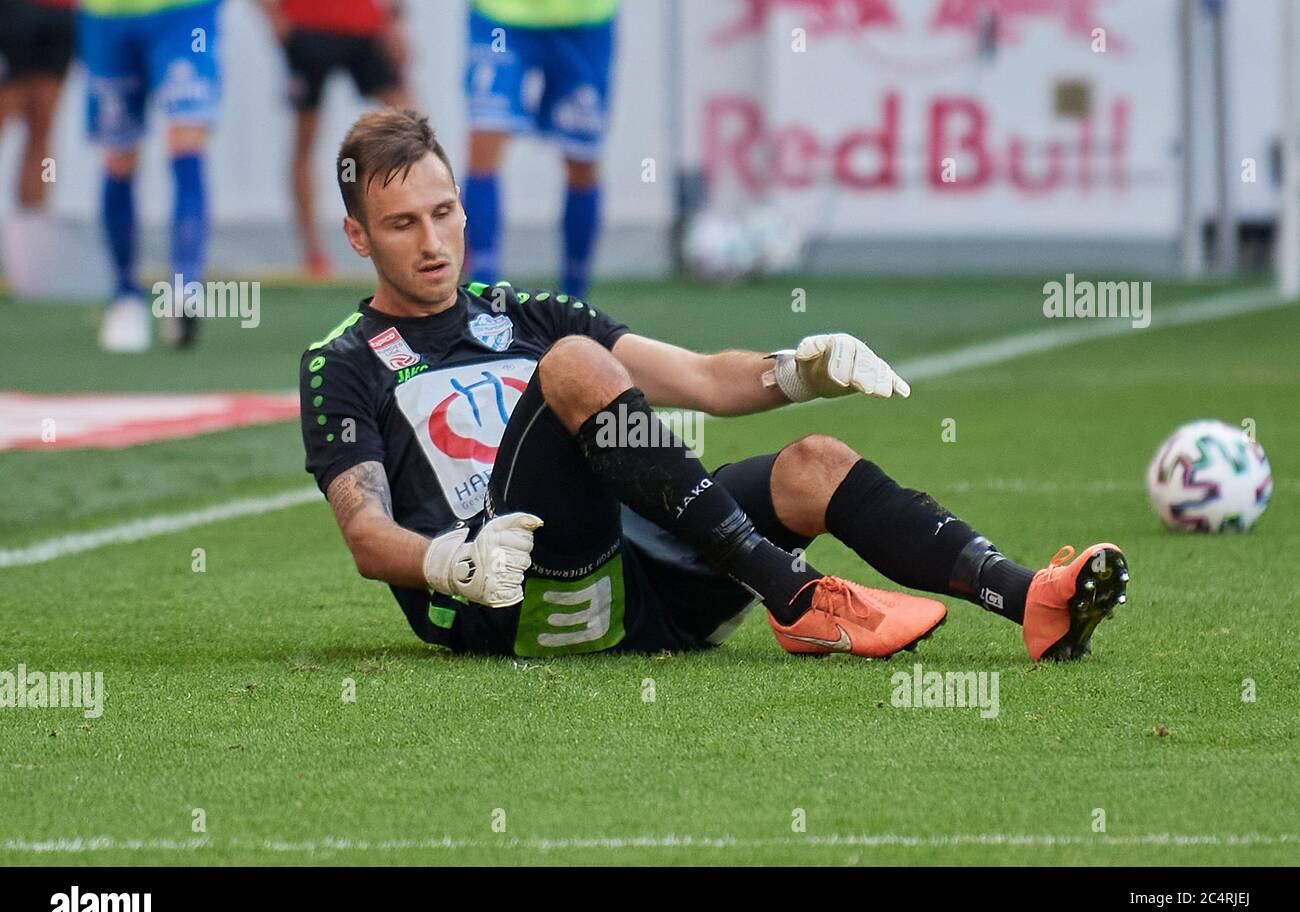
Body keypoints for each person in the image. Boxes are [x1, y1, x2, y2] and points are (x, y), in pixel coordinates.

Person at [299, 108, 1129, 660]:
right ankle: (793, 591)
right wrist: (454, 563)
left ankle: (1033, 602)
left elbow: (699, 378)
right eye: (403, 224)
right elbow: (368, 537)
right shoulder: (341, 362)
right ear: (358, 237)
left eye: (444, 211)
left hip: (646, 588)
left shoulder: (524, 311)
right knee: (578, 367)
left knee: (815, 463)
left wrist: (797, 371)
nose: (433, 240)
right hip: (515, 598)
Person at [79, 0, 221, 352]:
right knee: (118, 155)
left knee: (187, 139)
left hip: (187, 13)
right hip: (107, 16)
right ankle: (126, 296)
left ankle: (185, 287)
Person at [462, 0, 617, 299]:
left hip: (585, 18)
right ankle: (482, 292)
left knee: (582, 159)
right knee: (484, 138)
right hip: (500, 14)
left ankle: (574, 297)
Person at [258, 0, 409, 278]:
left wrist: (396, 23)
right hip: (306, 27)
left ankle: (421, 240)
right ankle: (314, 256)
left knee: (410, 129)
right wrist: (272, 16)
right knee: (305, 139)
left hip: (366, 24)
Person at [0, 0, 75, 212]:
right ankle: (36, 213)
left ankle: (36, 215)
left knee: (43, 129)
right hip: (27, 14)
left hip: (58, 17)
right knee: (41, 130)